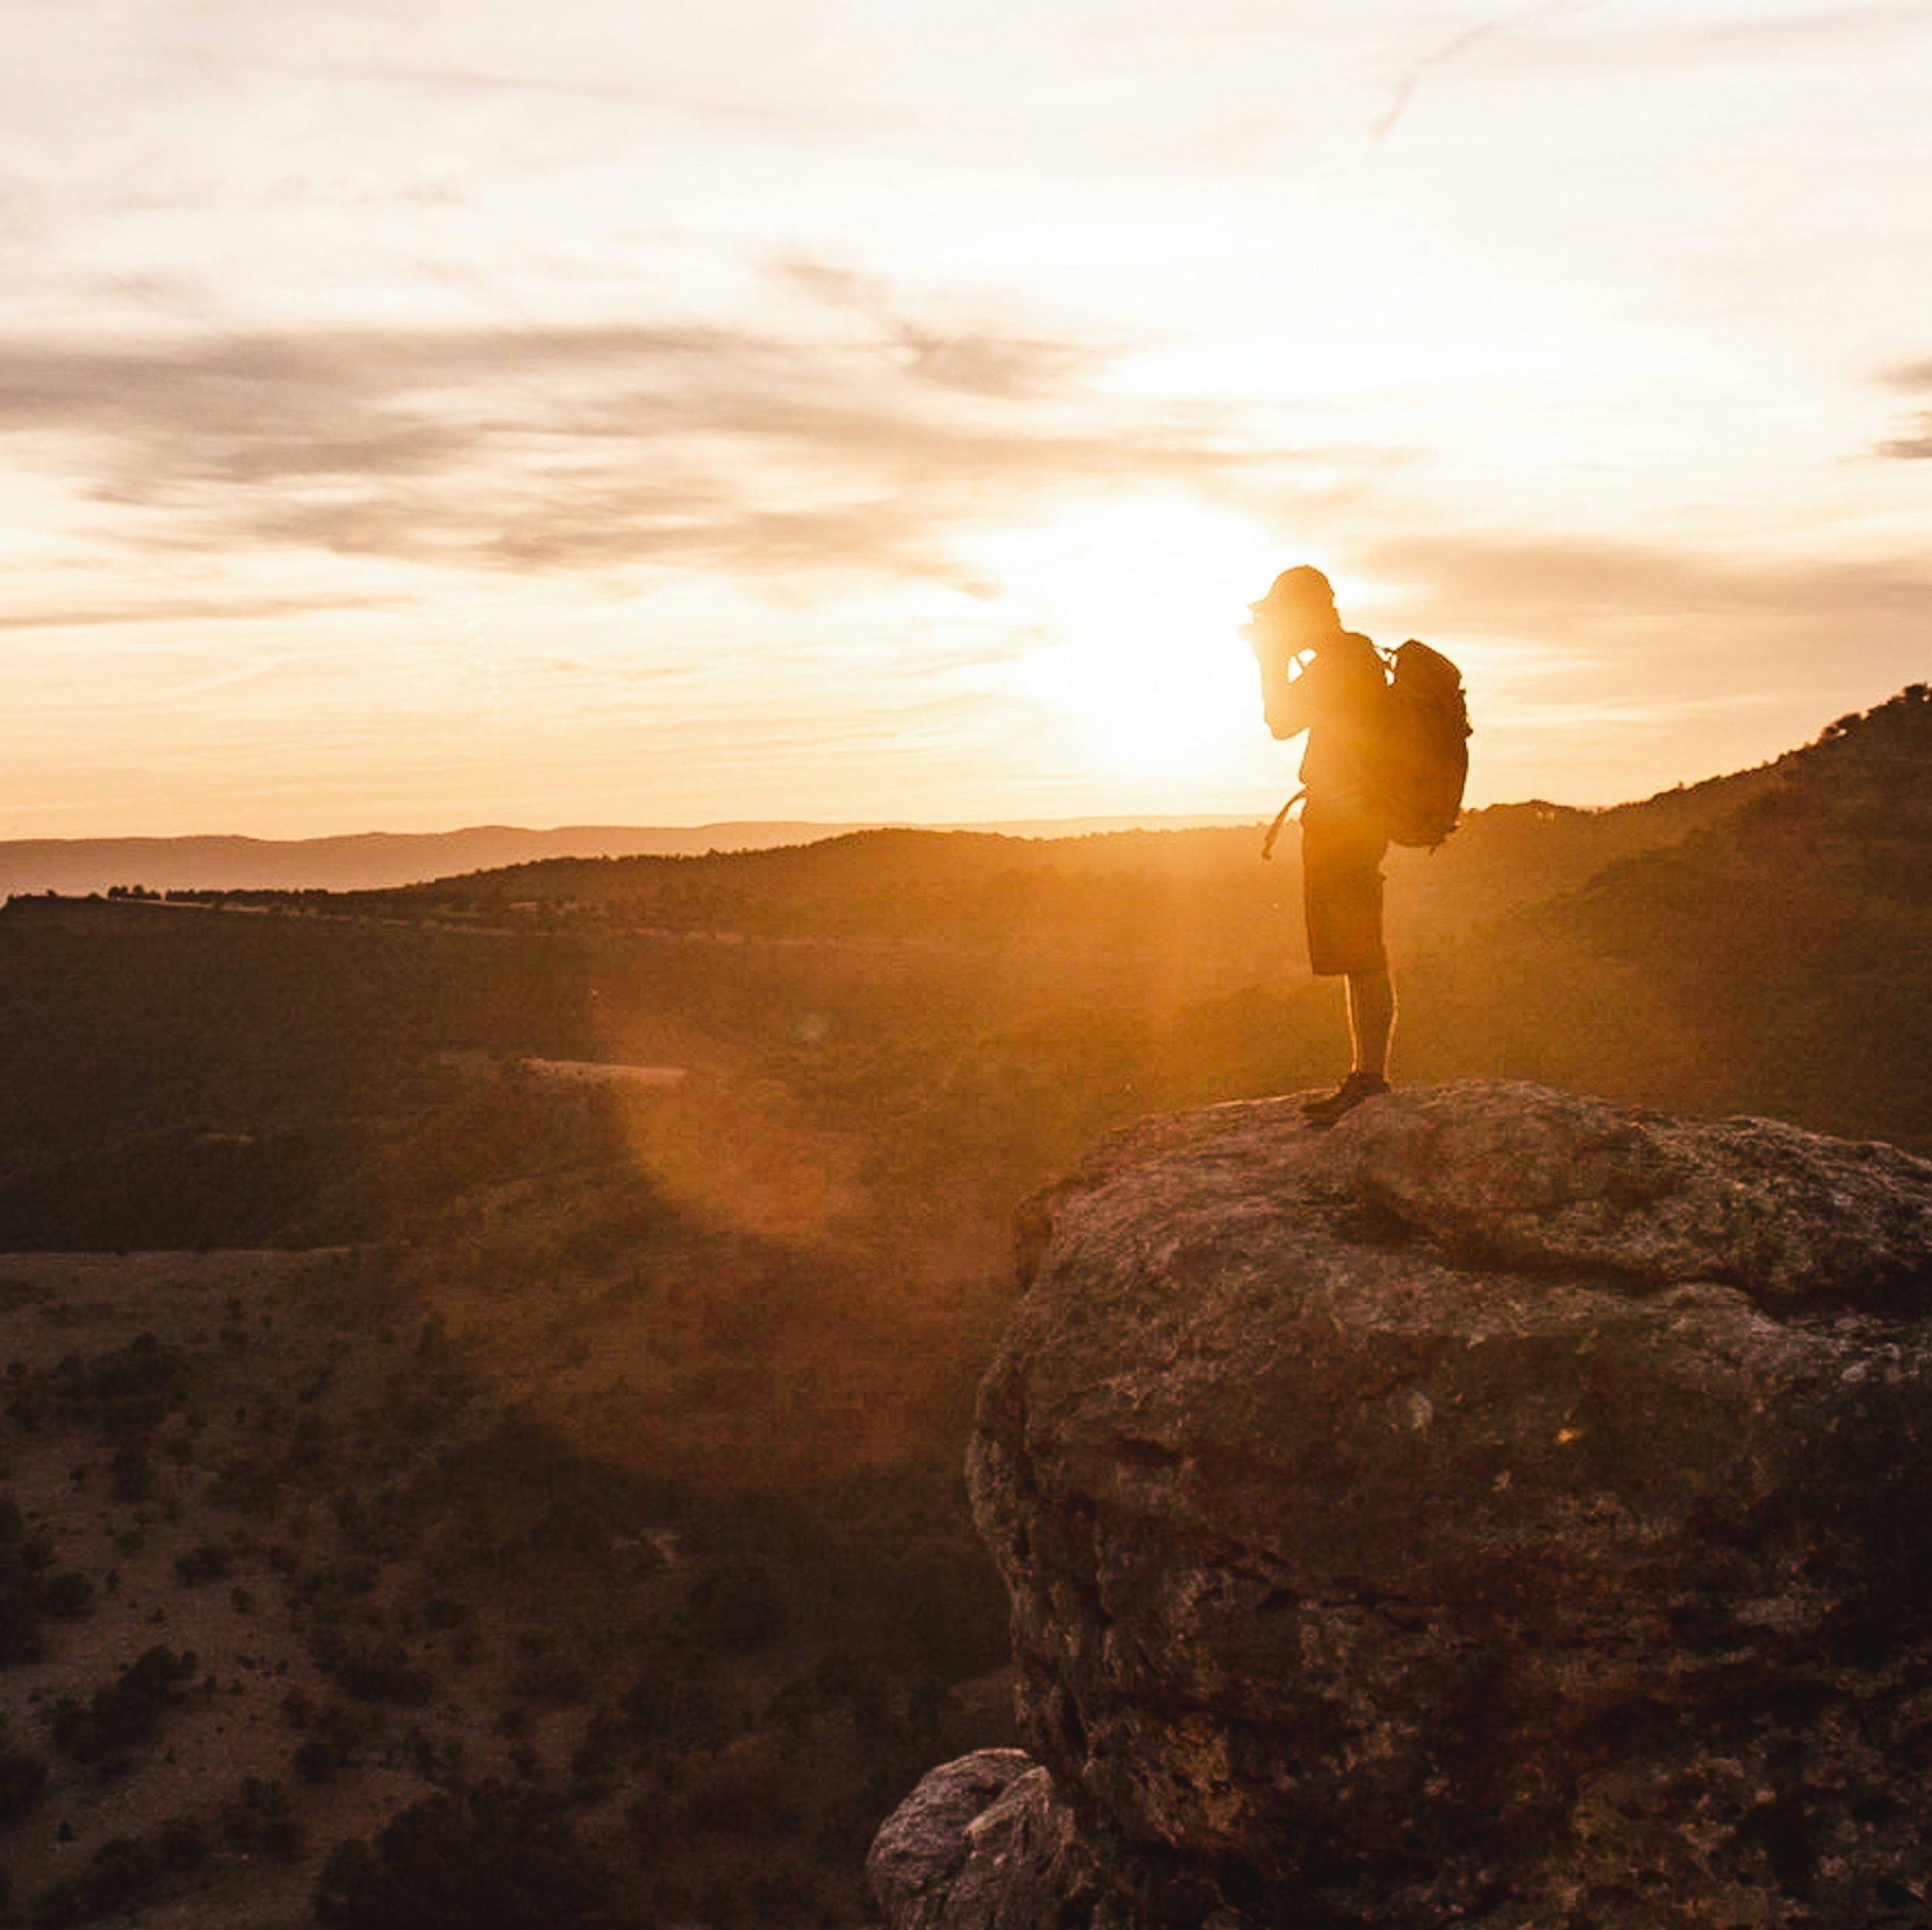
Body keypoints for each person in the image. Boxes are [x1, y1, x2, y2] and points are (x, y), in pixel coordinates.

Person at [1243, 565, 1395, 1126]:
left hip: (1347, 817)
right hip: (1352, 814)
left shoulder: (1341, 661)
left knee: (1362, 950)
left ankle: (1371, 1078)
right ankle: (1366, 1075)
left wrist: (1267, 659)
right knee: (1357, 952)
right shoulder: (1347, 657)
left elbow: (1280, 721)